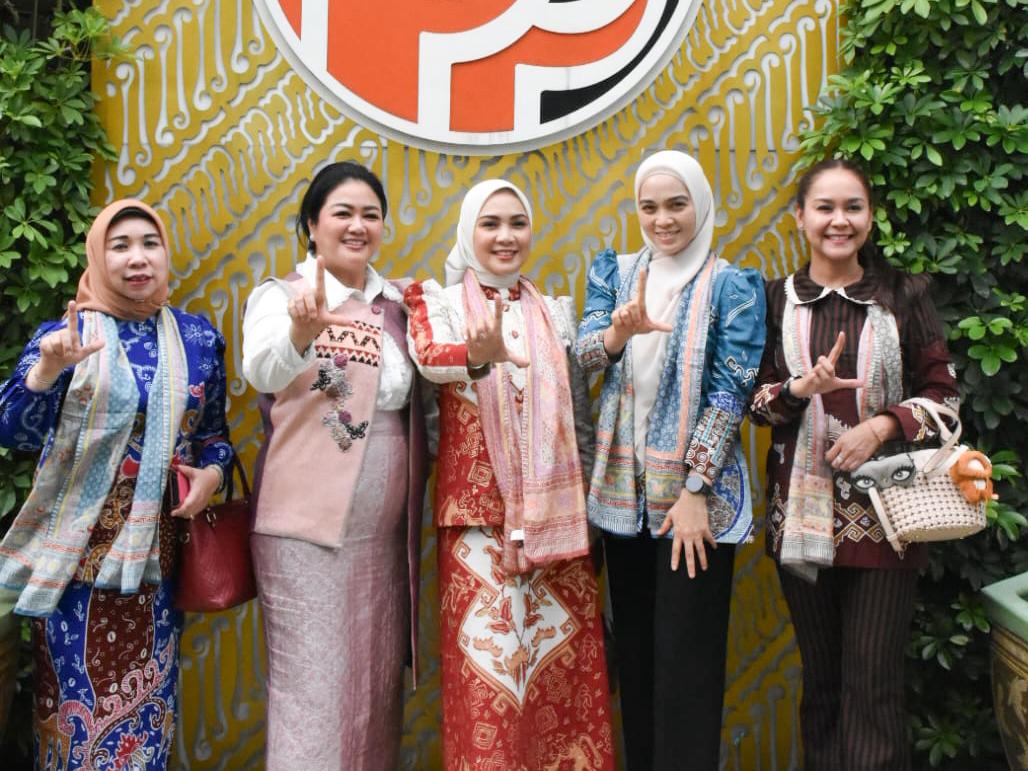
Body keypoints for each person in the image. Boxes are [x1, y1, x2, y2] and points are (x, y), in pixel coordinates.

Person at [0, 199, 233, 770]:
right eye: (120, 245)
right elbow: (12, 429)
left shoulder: (198, 340)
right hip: (72, 566)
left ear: (166, 254)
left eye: (150, 244)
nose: (137, 258)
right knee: (72, 723)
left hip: (156, 565)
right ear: (98, 257)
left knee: (147, 725)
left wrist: (212, 474)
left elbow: (214, 436)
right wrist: (47, 370)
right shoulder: (65, 335)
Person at [748, 157, 959, 770]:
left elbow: (945, 395)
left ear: (869, 217)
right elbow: (755, 404)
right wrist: (798, 389)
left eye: (852, 207)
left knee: (873, 685)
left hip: (888, 517)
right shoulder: (774, 299)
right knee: (821, 682)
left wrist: (883, 426)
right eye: (825, 208)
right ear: (800, 217)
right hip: (799, 517)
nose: (838, 220)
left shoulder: (904, 295)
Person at [405, 179, 616, 770]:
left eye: (517, 223)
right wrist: (478, 355)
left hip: (558, 527)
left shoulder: (554, 312)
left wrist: (589, 516)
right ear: (467, 232)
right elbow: (430, 360)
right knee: (490, 681)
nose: (506, 236)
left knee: (561, 680)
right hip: (476, 524)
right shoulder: (438, 303)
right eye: (490, 223)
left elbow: (579, 414)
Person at [576, 150, 766, 770]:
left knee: (687, 667)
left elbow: (730, 392)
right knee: (637, 660)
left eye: (677, 204)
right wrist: (618, 334)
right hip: (623, 500)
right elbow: (585, 357)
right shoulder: (616, 273)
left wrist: (695, 491)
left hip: (693, 508)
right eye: (650, 207)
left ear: (701, 206)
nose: (663, 220)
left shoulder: (731, 286)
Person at [241, 161, 427, 771]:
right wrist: (299, 333)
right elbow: (262, 371)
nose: (357, 226)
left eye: (370, 214)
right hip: (305, 533)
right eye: (342, 213)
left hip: (383, 536)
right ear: (311, 225)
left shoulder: (399, 303)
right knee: (314, 693)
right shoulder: (282, 296)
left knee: (372, 693)